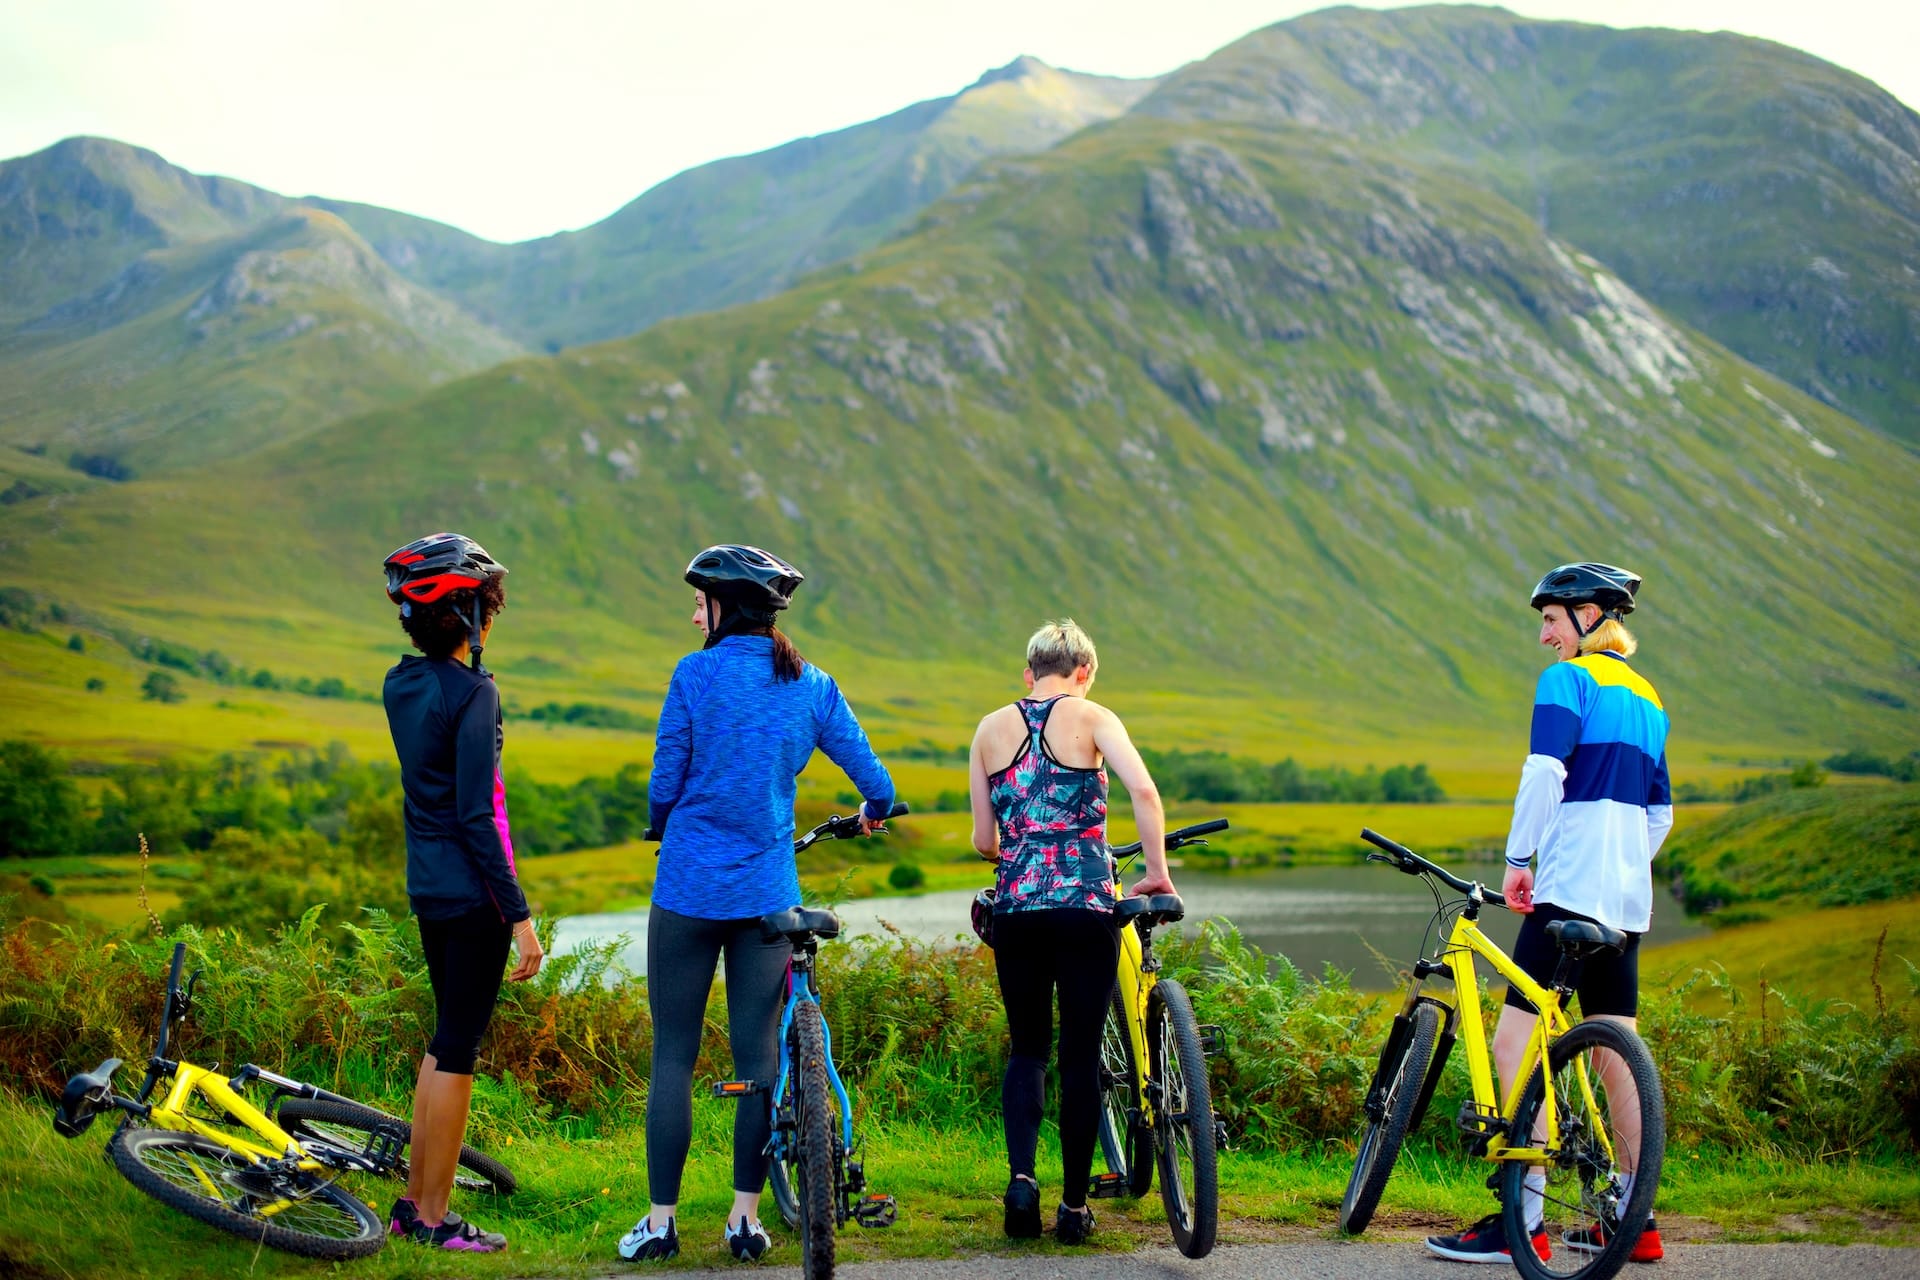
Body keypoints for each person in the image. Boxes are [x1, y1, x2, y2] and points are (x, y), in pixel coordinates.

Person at [619, 544, 896, 1264]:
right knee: (758, 1061)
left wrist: (661, 818)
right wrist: (872, 810)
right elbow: (877, 781)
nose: (692, 614)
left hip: (686, 890)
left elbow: (664, 780)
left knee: (674, 1056)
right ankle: (745, 1219)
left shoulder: (693, 675)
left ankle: (660, 1223)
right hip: (768, 896)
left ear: (724, 608)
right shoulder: (812, 684)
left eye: (699, 602)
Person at [1426, 563, 1670, 1266]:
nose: (1543, 635)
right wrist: (1620, 859)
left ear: (1591, 615)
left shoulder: (1570, 680)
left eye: (1551, 619)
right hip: (1626, 900)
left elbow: (1544, 771)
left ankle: (1522, 1219)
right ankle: (1634, 1216)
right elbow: (1661, 814)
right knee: (1616, 1048)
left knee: (1516, 1046)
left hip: (1566, 887)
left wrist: (1520, 859)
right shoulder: (1649, 698)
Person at [968, 619, 1174, 1245]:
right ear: (1084, 671)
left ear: (1030, 670)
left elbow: (983, 841)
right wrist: (1158, 874)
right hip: (1087, 905)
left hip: (1018, 909)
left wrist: (1026, 845)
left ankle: (1022, 1181)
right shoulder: (1094, 716)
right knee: (1081, 1054)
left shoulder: (988, 728)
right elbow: (1142, 788)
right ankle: (1076, 1207)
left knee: (1028, 1048)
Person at [380, 532, 545, 1253]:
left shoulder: (400, 683)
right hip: (474, 899)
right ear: (470, 615)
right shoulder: (477, 693)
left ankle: (414, 1204)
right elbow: (479, 816)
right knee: (459, 1051)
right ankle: (437, 1217)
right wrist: (521, 917)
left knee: (441, 1042)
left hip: (428, 889)